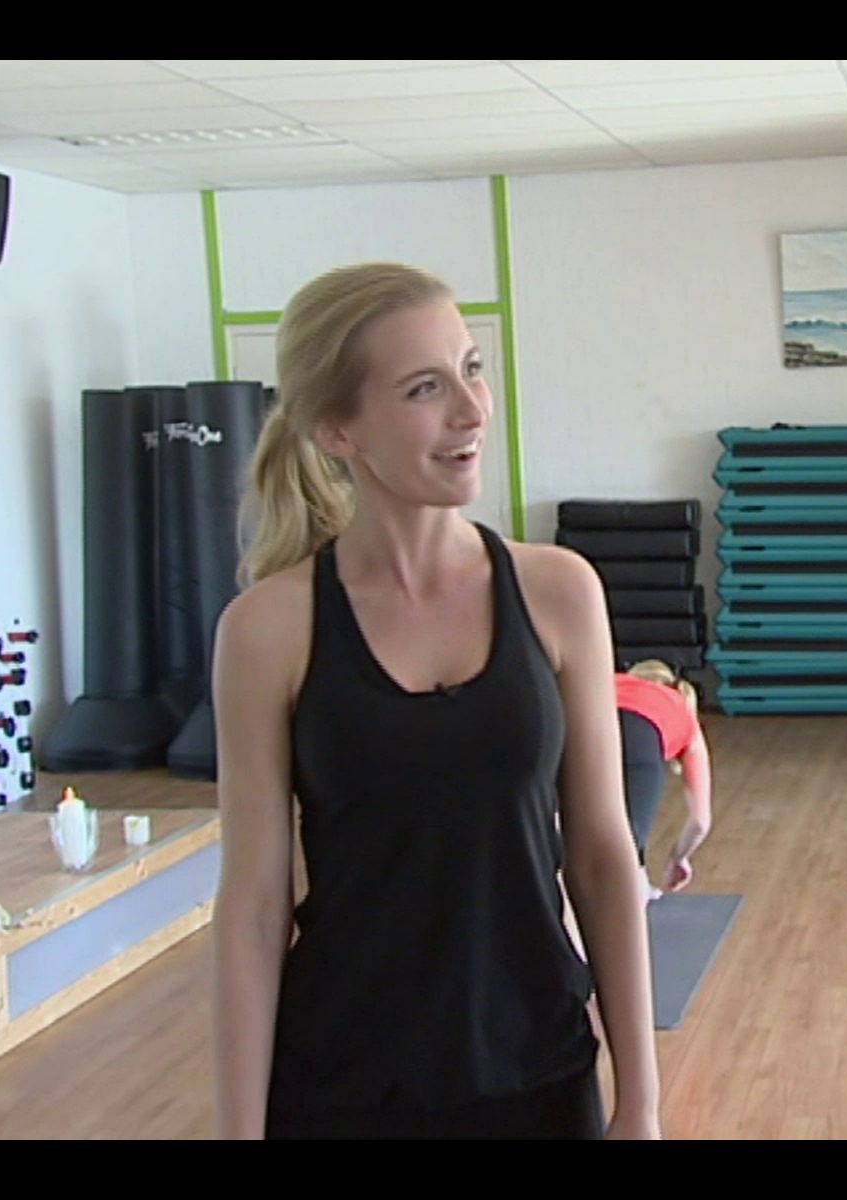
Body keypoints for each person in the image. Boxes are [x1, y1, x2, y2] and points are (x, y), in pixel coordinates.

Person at [209, 263, 660, 1139]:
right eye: (425, 387)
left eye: (472, 369)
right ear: (337, 428)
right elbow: (254, 909)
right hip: (341, 1088)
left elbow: (604, 858)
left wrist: (641, 1102)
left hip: (539, 1075)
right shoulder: (268, 631)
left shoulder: (559, 592)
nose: (471, 408)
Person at [614, 659, 714, 901]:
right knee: (624, 847)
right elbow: (700, 821)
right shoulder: (684, 715)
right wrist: (678, 858)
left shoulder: (614, 682)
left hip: (572, 726)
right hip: (638, 740)